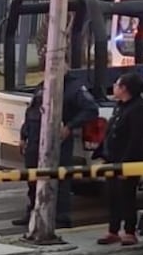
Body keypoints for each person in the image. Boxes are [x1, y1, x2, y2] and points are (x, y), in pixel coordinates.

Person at [14, 73, 100, 228]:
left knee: (60, 178)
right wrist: (23, 135)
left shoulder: (74, 87)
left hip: (56, 140)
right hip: (34, 139)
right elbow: (31, 112)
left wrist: (70, 126)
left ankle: (61, 217)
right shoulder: (43, 85)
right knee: (33, 178)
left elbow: (91, 110)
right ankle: (33, 212)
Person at [95, 72, 143, 246]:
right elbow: (111, 133)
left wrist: (125, 165)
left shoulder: (139, 109)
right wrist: (103, 155)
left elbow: (137, 139)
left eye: (117, 84)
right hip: (113, 160)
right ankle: (113, 230)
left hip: (130, 161)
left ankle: (129, 231)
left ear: (125, 88)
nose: (114, 87)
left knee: (127, 195)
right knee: (112, 196)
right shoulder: (120, 106)